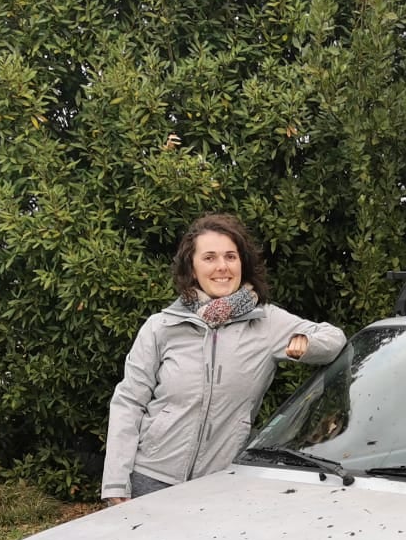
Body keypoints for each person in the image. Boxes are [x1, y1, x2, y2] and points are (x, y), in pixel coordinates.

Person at [102, 212, 345, 502]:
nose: (222, 266)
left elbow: (334, 338)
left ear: (242, 264)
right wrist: (116, 482)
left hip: (220, 484)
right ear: (192, 268)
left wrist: (307, 344)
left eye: (231, 256)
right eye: (209, 258)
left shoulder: (267, 323)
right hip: (149, 479)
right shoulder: (162, 326)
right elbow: (129, 402)